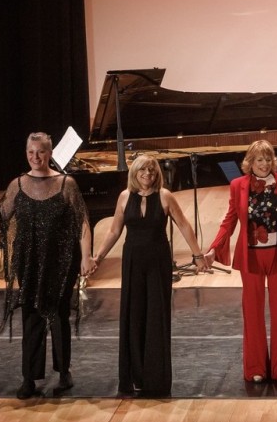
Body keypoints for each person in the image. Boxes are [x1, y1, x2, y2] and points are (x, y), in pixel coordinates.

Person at [0, 132, 91, 400]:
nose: (35, 157)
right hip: (28, 261)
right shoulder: (17, 184)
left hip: (61, 261)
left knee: (59, 316)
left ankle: (64, 372)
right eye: (31, 152)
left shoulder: (66, 184)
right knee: (31, 316)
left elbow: (82, 221)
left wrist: (86, 256)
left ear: (50, 153)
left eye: (41, 152)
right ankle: (29, 378)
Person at [85, 153, 207, 396]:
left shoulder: (165, 196)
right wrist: (97, 257)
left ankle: (156, 379)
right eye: (143, 170)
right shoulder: (124, 197)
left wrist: (198, 255)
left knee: (156, 317)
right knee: (134, 316)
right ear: (135, 172)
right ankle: (136, 377)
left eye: (151, 170)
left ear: (157, 173)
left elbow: (184, 225)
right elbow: (114, 231)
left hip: (157, 262)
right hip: (133, 262)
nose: (147, 174)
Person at [203, 139, 277, 383]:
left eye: (268, 159)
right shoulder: (237, 185)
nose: (264, 164)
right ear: (250, 162)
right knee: (252, 313)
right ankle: (255, 368)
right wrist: (214, 248)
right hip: (251, 257)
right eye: (259, 159)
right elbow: (229, 220)